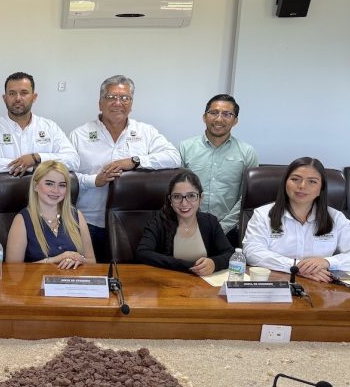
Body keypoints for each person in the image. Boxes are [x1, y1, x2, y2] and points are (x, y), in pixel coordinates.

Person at [70, 75, 181, 262]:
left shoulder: (145, 132)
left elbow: (174, 157)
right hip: (88, 222)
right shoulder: (79, 135)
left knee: (132, 277)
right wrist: (94, 180)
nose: (118, 103)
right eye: (111, 97)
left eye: (124, 98)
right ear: (100, 103)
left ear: (131, 104)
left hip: (133, 224)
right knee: (88, 275)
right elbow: (67, 177)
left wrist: (135, 161)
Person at [0, 71, 79, 251]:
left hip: (46, 211)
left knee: (44, 261)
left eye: (24, 93)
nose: (18, 98)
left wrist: (37, 158)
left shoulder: (49, 127)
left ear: (34, 96)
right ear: (4, 98)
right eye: (12, 93)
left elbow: (73, 160)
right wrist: (31, 166)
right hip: (1, 209)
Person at [243, 157, 350, 281]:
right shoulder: (263, 215)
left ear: (321, 189)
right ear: (285, 183)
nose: (302, 186)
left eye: (312, 181)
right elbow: (252, 253)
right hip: (277, 282)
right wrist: (296, 267)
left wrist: (327, 262)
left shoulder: (336, 218)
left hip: (321, 285)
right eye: (295, 179)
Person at [179, 94, 258, 245]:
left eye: (227, 114)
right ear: (204, 117)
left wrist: (222, 228)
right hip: (188, 226)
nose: (219, 119)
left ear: (235, 121)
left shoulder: (247, 152)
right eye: (213, 113)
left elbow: (247, 197)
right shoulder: (185, 148)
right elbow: (178, 191)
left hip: (229, 231)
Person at [135, 170, 233, 275]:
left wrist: (214, 263)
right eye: (177, 197)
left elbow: (230, 254)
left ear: (200, 198)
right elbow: (142, 253)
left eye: (191, 196)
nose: (184, 203)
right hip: (168, 281)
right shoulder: (158, 222)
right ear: (170, 200)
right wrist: (189, 266)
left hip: (203, 283)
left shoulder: (210, 221)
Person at [5, 160, 94, 268]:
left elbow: (92, 262)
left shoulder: (76, 215)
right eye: (49, 184)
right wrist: (56, 259)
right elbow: (12, 269)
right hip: (37, 279)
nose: (56, 190)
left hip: (73, 278)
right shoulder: (22, 220)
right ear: (35, 186)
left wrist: (80, 260)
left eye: (62, 185)